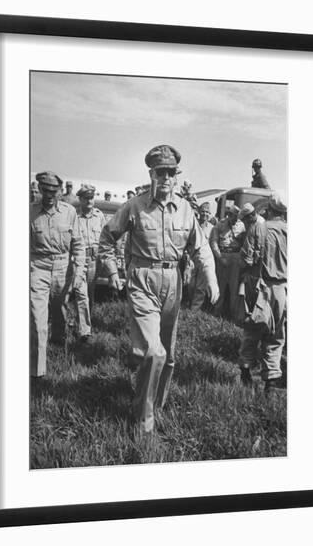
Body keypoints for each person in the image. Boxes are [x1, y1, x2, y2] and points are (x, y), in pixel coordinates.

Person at [98, 144, 219, 436]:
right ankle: (143, 421)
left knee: (169, 354)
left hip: (173, 281)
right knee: (154, 352)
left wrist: (211, 278)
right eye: (160, 172)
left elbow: (200, 247)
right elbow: (107, 238)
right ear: (151, 174)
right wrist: (114, 271)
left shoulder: (186, 209)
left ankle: (156, 404)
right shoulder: (135, 206)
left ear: (176, 177)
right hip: (142, 279)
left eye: (171, 173)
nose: (165, 178)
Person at [30, 171, 85, 377]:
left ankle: (59, 343)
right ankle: (37, 372)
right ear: (39, 189)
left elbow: (78, 244)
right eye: (45, 190)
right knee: (37, 317)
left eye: (54, 191)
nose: (50, 195)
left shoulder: (69, 212)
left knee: (59, 309)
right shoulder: (29, 211)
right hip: (38, 266)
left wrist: (79, 271)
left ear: (60, 191)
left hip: (63, 267)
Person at [238, 195, 287, 394]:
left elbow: (246, 260)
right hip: (282, 289)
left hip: (259, 286)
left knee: (252, 329)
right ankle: (271, 382)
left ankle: (245, 372)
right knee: (276, 335)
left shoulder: (259, 228)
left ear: (268, 209)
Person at [73, 184, 106, 341]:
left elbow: (105, 237)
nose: (89, 201)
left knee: (90, 294)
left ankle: (84, 321)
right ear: (80, 199)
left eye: (91, 198)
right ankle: (85, 332)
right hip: (78, 260)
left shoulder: (99, 216)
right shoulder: (74, 216)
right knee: (82, 294)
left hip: (94, 260)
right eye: (86, 198)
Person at [210, 206, 246, 321]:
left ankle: (233, 315)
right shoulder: (220, 225)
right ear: (229, 215)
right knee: (220, 285)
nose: (235, 221)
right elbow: (213, 242)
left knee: (234, 287)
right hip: (223, 255)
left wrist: (240, 257)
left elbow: (245, 242)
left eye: (237, 218)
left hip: (236, 257)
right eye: (233, 218)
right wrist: (220, 257)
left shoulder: (241, 225)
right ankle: (216, 312)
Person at [188, 202, 215, 309]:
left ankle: (195, 308)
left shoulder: (212, 228)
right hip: (192, 258)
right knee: (190, 282)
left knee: (201, 284)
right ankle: (189, 300)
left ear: (210, 214)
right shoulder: (194, 225)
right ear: (199, 212)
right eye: (203, 211)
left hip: (204, 259)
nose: (205, 214)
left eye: (207, 212)